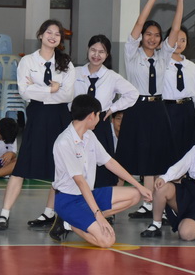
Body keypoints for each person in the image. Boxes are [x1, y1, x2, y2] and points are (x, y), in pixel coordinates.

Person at [0, 19, 75, 231]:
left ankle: (50, 212)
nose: (53, 36)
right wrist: (51, 89)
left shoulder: (66, 63)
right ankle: (4, 214)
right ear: (40, 35)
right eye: (49, 32)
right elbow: (24, 92)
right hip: (37, 116)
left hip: (60, 117)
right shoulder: (27, 61)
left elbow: (68, 95)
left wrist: (41, 90)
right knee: (21, 167)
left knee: (60, 168)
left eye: (57, 34)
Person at [49, 95, 152, 247]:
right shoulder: (64, 142)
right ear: (92, 116)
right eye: (99, 115)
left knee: (135, 195)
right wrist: (98, 215)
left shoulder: (89, 135)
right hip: (68, 200)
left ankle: (81, 219)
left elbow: (109, 162)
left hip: (88, 195)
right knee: (107, 241)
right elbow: (80, 182)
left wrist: (139, 185)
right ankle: (69, 223)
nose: (99, 119)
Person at [117, 0, 183, 219]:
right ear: (142, 36)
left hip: (158, 109)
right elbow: (138, 22)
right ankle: (143, 204)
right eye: (148, 34)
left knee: (157, 157)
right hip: (137, 108)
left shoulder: (163, 55)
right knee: (136, 156)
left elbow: (176, 30)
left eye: (157, 35)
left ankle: (155, 204)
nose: (152, 38)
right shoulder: (132, 54)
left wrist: (180, 1)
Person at [73, 34, 138, 189]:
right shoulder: (75, 72)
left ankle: (102, 200)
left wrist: (112, 109)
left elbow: (133, 93)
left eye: (101, 52)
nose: (96, 55)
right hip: (77, 124)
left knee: (101, 166)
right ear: (87, 50)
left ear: (107, 55)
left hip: (99, 124)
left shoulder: (111, 76)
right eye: (93, 50)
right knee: (76, 163)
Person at [163, 25, 195, 155]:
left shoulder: (191, 66)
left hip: (188, 110)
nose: (179, 43)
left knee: (188, 148)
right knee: (168, 149)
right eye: (175, 39)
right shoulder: (161, 63)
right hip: (168, 109)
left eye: (183, 40)